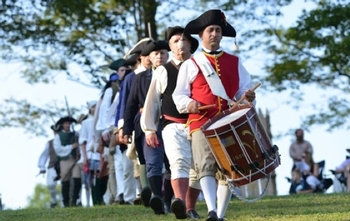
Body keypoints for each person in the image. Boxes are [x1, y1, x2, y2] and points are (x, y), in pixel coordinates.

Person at [172, 9, 256, 221]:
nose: (215, 34)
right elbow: (179, 96)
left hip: (227, 123)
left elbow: (241, 92)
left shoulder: (235, 62)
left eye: (218, 30)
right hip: (201, 123)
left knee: (228, 170)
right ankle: (211, 210)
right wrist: (191, 104)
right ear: (201, 35)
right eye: (210, 30)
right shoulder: (191, 64)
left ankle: (219, 215)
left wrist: (247, 96)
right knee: (206, 166)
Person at [140, 26, 201, 220]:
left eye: (184, 40)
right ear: (170, 47)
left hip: (200, 124)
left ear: (191, 43)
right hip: (173, 125)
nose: (180, 44)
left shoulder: (201, 66)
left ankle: (190, 207)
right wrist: (149, 129)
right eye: (175, 41)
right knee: (178, 162)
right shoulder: (163, 71)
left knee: (199, 168)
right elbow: (153, 101)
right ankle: (180, 202)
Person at [122, 40, 172, 215]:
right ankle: (157, 197)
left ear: (168, 55)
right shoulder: (139, 78)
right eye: (155, 53)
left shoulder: (177, 73)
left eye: (163, 53)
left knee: (172, 163)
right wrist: (126, 129)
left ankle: (167, 201)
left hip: (171, 124)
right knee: (153, 162)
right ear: (149, 57)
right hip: (148, 125)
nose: (159, 56)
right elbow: (130, 104)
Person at [53, 116, 81, 207]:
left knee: (77, 179)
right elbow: (58, 149)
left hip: (75, 159)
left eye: (69, 123)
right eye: (66, 123)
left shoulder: (75, 134)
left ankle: (74, 201)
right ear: (62, 125)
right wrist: (71, 147)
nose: (68, 125)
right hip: (64, 160)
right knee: (65, 182)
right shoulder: (58, 136)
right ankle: (66, 202)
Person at [37, 124, 61, 208]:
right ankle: (54, 201)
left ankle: (66, 203)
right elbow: (44, 155)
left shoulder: (65, 141)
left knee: (66, 184)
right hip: (52, 166)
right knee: (50, 184)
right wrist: (42, 167)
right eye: (55, 131)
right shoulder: (50, 143)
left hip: (63, 166)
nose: (56, 133)